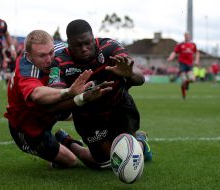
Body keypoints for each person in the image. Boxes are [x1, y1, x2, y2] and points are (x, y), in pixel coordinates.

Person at [48, 19, 152, 169]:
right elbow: (55, 98)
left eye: (87, 43)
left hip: (119, 107)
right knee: (105, 163)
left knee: (125, 153)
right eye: (78, 45)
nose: (84, 48)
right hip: (88, 116)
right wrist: (80, 96)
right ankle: (68, 142)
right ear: (68, 43)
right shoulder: (59, 62)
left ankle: (140, 141)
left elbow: (139, 78)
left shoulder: (110, 47)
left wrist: (130, 74)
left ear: (93, 38)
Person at [4, 30, 113, 168]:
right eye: (42, 56)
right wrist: (69, 91)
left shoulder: (60, 48)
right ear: (29, 56)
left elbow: (86, 47)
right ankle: (66, 141)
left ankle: (123, 139)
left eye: (50, 52)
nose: (49, 59)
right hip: (28, 126)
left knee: (101, 159)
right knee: (71, 162)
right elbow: (37, 94)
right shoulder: (26, 69)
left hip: (52, 110)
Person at [167, 32, 200, 99]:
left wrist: (197, 60)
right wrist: (171, 57)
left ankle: (187, 83)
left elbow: (197, 53)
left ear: (190, 36)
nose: (187, 37)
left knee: (192, 79)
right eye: (185, 36)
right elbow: (174, 52)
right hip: (182, 64)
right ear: (184, 36)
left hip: (190, 65)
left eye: (188, 35)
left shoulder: (193, 45)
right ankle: (184, 95)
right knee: (184, 80)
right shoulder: (180, 45)